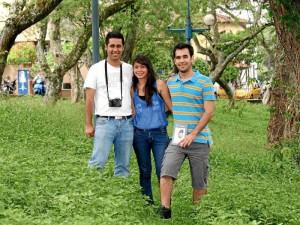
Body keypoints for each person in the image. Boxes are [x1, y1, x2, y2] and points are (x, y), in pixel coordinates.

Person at [160, 43, 215, 219]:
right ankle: (165, 212)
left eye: (185, 57)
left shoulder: (204, 82)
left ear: (192, 58)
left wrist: (193, 134)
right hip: (178, 139)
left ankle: (198, 215)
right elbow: (166, 101)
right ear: (174, 60)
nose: (181, 60)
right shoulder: (171, 82)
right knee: (166, 172)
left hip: (199, 140)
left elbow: (209, 112)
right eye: (178, 57)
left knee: (199, 182)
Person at [84, 31, 134, 177]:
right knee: (97, 163)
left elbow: (132, 94)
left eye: (118, 46)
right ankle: (89, 196)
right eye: (112, 46)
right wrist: (88, 124)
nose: (115, 49)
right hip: (105, 122)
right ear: (106, 47)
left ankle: (119, 197)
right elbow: (89, 99)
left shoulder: (129, 69)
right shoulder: (96, 69)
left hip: (126, 123)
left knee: (123, 167)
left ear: (123, 47)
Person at [131, 54, 172, 204]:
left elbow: (170, 106)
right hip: (139, 135)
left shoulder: (159, 84)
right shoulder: (131, 88)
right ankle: (147, 203)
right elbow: (132, 111)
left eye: (142, 66)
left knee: (162, 171)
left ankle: (165, 205)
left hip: (159, 135)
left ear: (148, 68)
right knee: (145, 171)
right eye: (136, 67)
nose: (139, 70)